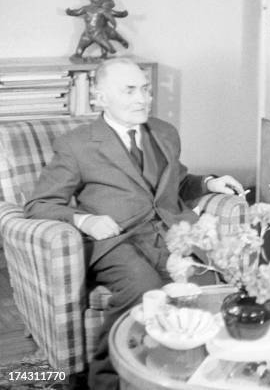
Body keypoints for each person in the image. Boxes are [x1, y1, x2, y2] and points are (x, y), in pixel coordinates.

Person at [24, 58, 244, 390]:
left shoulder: (164, 133)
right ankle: (106, 380)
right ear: (100, 96)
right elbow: (38, 203)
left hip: (170, 234)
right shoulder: (77, 144)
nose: (141, 98)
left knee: (211, 288)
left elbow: (175, 182)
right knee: (145, 291)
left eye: (145, 89)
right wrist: (85, 219)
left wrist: (209, 183)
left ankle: (192, 374)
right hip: (117, 242)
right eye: (129, 90)